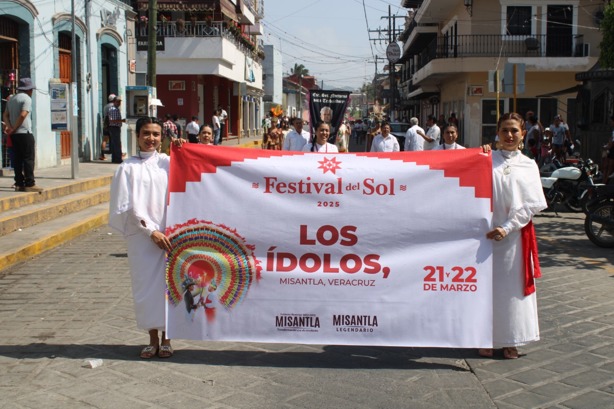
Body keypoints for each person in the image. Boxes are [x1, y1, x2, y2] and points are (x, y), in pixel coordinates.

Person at [109, 116, 184, 359]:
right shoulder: (127, 168)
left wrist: (184, 151)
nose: (150, 138)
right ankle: (152, 337)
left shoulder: (169, 163)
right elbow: (127, 206)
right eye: (146, 133)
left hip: (170, 234)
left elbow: (193, 177)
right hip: (142, 238)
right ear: (137, 136)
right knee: (146, 288)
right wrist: (150, 231)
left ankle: (168, 339)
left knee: (170, 286)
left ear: (162, 137)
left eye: (155, 134)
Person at [480, 112, 547, 359]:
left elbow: (528, 206)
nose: (509, 135)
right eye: (504, 130)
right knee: (486, 289)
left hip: (514, 238)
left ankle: (511, 340)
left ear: (523, 134)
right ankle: (485, 337)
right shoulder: (485, 159)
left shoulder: (528, 165)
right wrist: (478, 157)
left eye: (514, 131)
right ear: (497, 133)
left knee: (512, 290)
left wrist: (507, 227)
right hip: (484, 237)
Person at [2, 78, 42, 192]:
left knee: (17, 160)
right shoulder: (27, 99)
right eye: (31, 89)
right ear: (29, 89)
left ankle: (19, 183)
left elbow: (5, 115)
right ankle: (30, 183)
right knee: (28, 159)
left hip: (14, 135)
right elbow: (23, 115)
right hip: (25, 133)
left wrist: (10, 127)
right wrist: (14, 128)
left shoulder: (12, 99)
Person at [107, 95, 125, 163]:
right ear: (114, 102)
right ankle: (117, 158)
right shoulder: (113, 109)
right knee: (116, 143)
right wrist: (122, 121)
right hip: (114, 127)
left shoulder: (116, 109)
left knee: (115, 143)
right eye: (118, 102)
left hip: (115, 127)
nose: (119, 103)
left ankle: (115, 158)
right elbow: (112, 120)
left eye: (120, 102)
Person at [100, 93, 115, 160]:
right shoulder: (114, 106)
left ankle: (102, 155)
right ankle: (118, 154)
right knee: (116, 139)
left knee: (105, 140)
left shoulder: (105, 106)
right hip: (113, 125)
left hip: (106, 125)